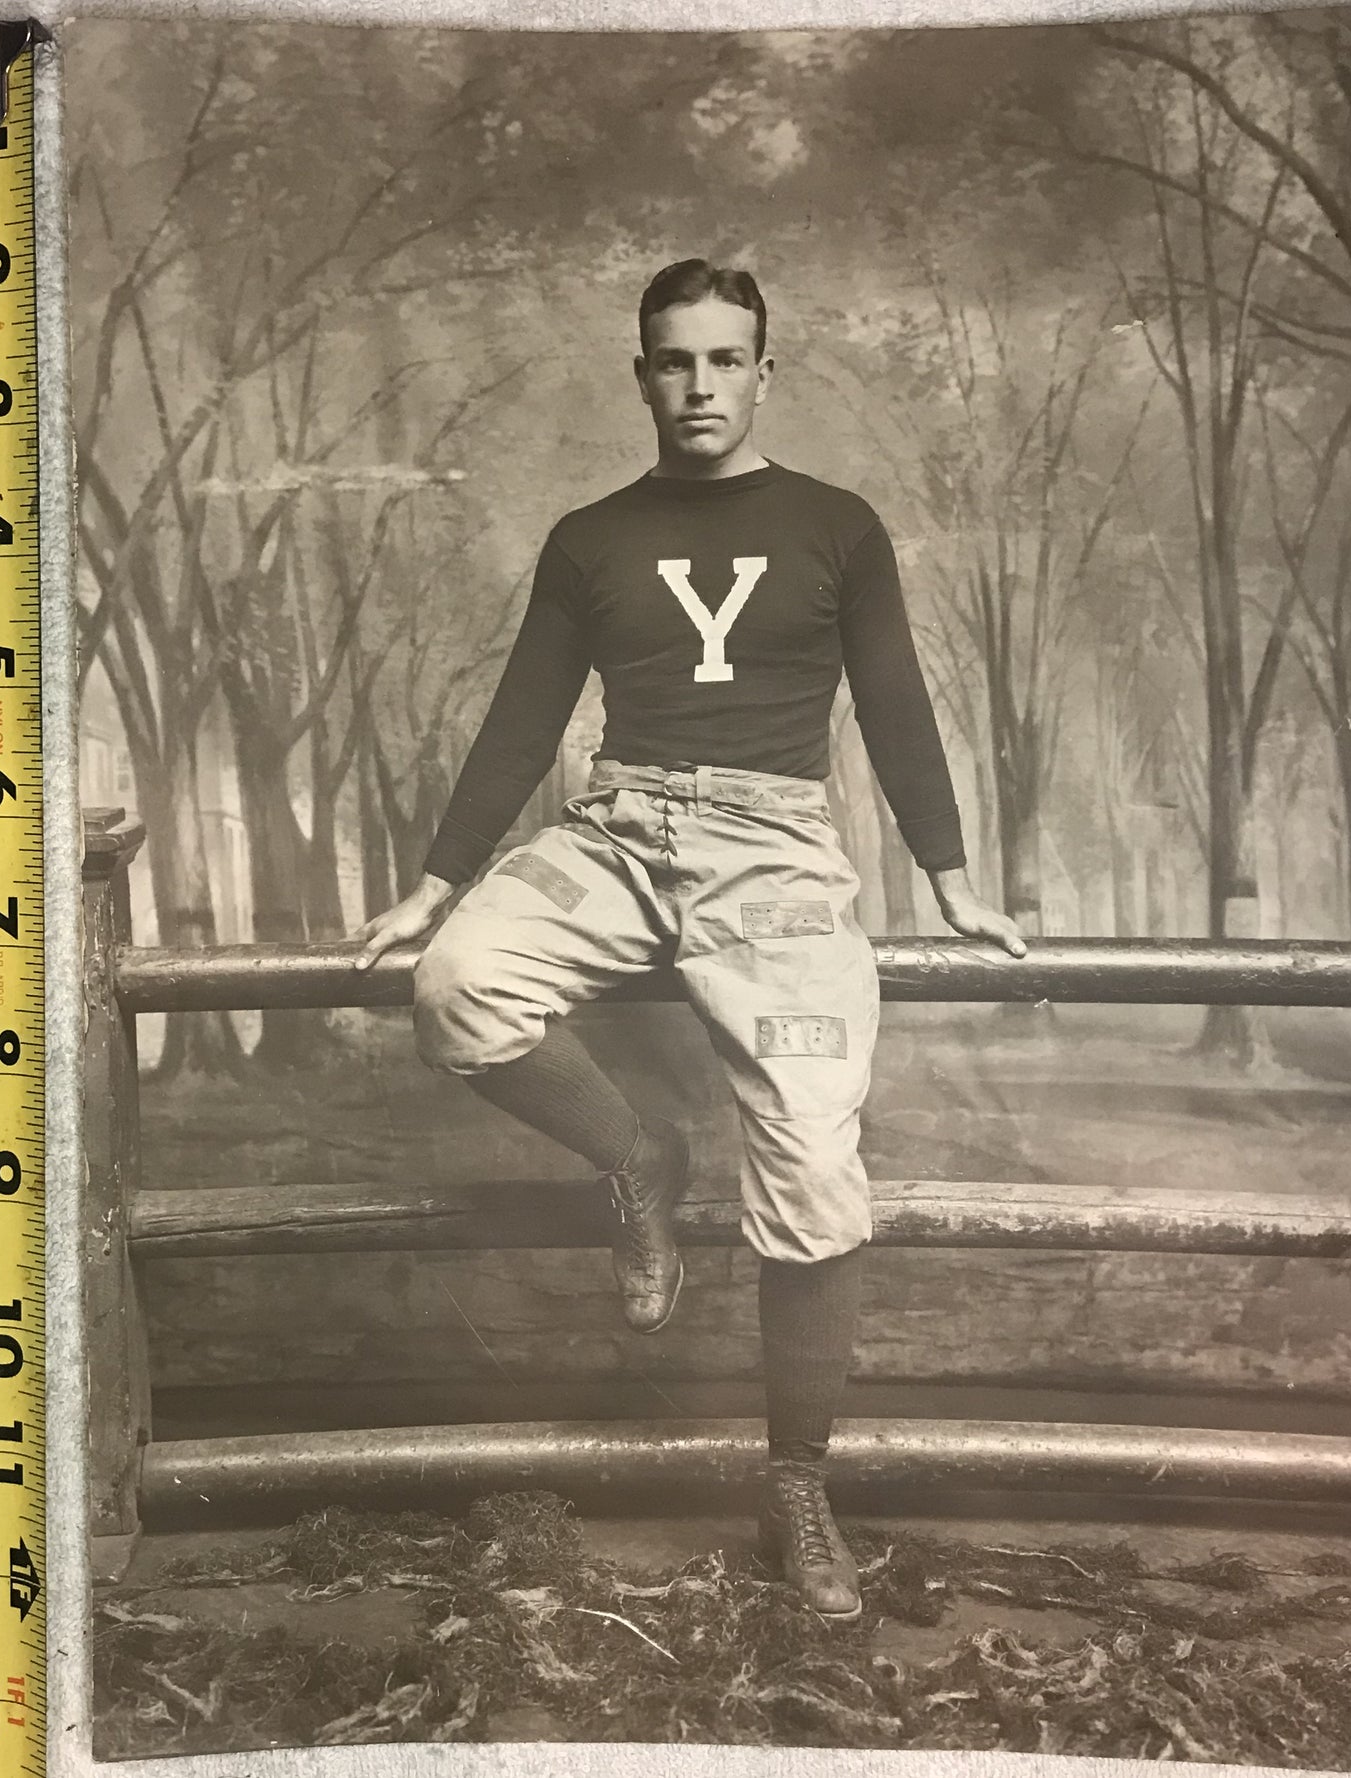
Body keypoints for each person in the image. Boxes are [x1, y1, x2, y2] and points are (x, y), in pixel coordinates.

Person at [353, 258, 1025, 1622]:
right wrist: (436, 880)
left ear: (764, 371)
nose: (700, 385)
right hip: (619, 828)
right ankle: (638, 1156)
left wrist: (950, 875)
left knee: (812, 1146)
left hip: (774, 856)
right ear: (641, 372)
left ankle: (794, 1484)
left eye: (726, 360)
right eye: (674, 360)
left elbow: (894, 702)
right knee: (460, 983)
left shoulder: (839, 525)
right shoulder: (588, 536)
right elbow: (525, 717)